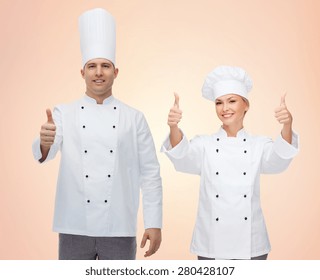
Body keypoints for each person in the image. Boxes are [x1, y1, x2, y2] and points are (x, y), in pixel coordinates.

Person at [32, 8, 162, 260]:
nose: (99, 72)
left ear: (116, 72)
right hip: (73, 225)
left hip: (119, 226)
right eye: (92, 66)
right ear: (83, 72)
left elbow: (150, 173)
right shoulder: (64, 113)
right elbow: (46, 152)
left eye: (105, 66)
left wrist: (154, 222)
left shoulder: (134, 118)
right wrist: (45, 143)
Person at [161, 65, 299, 260]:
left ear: (246, 105)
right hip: (211, 244)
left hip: (251, 245)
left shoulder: (258, 144)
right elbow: (182, 157)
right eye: (219, 103)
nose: (225, 108)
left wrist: (287, 125)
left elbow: (279, 160)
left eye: (232, 101)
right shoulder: (205, 144)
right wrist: (174, 126)